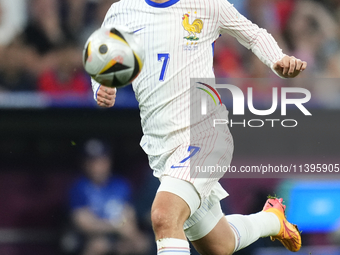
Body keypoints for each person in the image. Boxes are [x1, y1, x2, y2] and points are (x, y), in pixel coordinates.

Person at [91, 1, 307, 254]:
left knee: (164, 214)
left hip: (204, 135)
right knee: (219, 244)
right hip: (162, 148)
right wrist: (102, 87)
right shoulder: (122, 11)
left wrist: (278, 60)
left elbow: (254, 35)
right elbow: (104, 62)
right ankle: (272, 220)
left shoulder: (207, 4)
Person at [69, 139, 150, 255]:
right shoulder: (79, 187)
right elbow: (83, 223)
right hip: (91, 237)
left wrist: (131, 235)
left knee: (141, 243)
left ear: (108, 161)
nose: (96, 166)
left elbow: (129, 215)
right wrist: (115, 227)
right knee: (98, 245)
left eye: (101, 161)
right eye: (92, 161)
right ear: (85, 163)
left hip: (119, 236)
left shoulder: (121, 184)